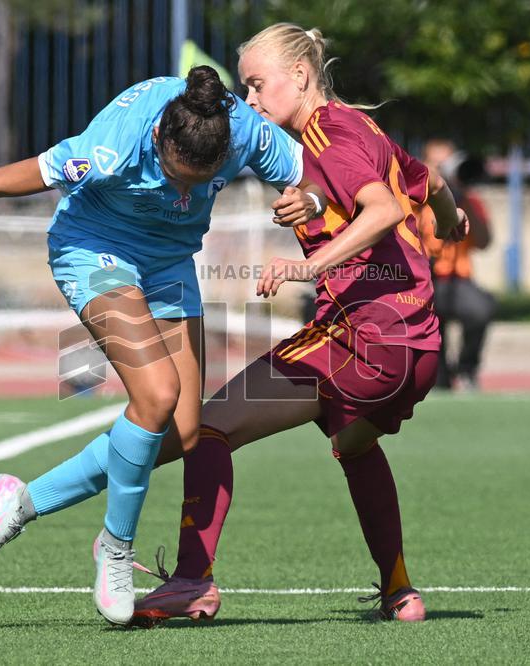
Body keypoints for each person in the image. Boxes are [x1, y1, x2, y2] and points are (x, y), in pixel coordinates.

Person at [0, 66, 324, 626]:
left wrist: (307, 200)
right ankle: (115, 550)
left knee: (187, 431)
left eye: (200, 182)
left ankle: (20, 502)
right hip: (94, 251)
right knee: (157, 393)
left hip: (168, 261)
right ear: (159, 139)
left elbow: (315, 173)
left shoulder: (241, 130)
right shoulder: (107, 151)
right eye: (175, 177)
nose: (184, 194)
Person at [132, 24, 468, 625]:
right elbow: (432, 185)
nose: (252, 101)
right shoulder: (359, 127)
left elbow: (386, 209)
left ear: (302, 77)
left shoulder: (326, 136)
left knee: (209, 427)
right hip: (417, 342)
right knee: (355, 445)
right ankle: (401, 594)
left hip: (361, 338)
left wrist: (304, 264)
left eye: (259, 86)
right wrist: (452, 222)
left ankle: (191, 582)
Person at [418, 139, 496, 390]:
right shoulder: (413, 198)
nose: (443, 169)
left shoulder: (469, 199)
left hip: (458, 279)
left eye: (448, 163)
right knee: (437, 380)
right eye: (437, 164)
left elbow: (484, 242)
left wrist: (461, 199)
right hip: (422, 280)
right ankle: (439, 376)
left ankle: (467, 369)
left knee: (480, 309)